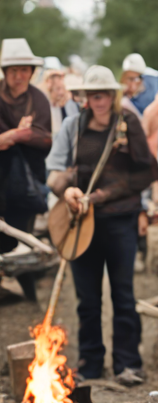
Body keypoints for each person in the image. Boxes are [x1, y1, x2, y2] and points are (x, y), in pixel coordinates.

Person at [46, 65, 153, 385]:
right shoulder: (72, 125)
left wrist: (106, 194)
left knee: (123, 293)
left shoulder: (129, 122)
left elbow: (147, 172)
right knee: (87, 297)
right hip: (81, 221)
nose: (99, 100)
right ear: (85, 98)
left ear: (113, 95)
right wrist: (68, 189)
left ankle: (128, 363)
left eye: (104, 94)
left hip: (121, 219)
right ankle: (90, 362)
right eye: (93, 95)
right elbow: (53, 169)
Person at [0, 38, 51, 302]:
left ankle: (30, 295)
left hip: (27, 185)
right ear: (5, 73)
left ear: (31, 72)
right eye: (13, 70)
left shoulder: (39, 99)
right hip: (0, 181)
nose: (19, 76)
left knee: (25, 239)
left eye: (24, 70)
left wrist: (20, 136)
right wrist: (13, 135)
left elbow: (46, 140)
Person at [42, 61, 79, 138]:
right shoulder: (44, 106)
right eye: (57, 89)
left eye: (63, 88)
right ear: (50, 89)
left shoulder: (69, 104)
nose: (61, 92)